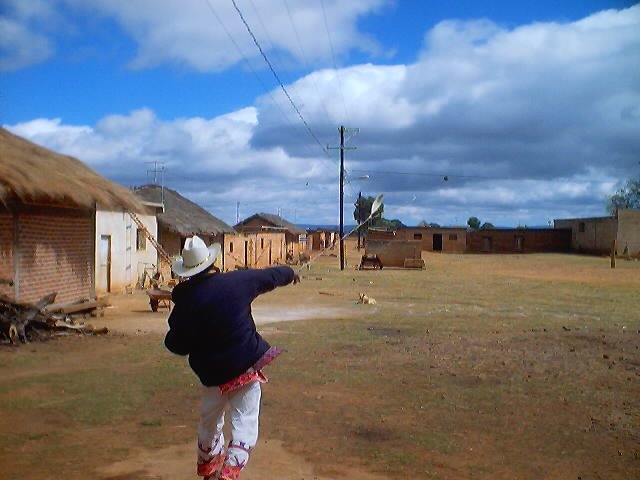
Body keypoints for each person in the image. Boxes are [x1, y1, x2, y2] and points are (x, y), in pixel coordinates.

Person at [164, 235, 300, 480]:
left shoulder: (184, 306)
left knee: (209, 425)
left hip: (212, 377)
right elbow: (270, 276)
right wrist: (290, 273)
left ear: (186, 271)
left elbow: (175, 345)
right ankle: (228, 474)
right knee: (244, 425)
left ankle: (209, 471)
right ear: (211, 263)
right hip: (244, 370)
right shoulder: (236, 282)